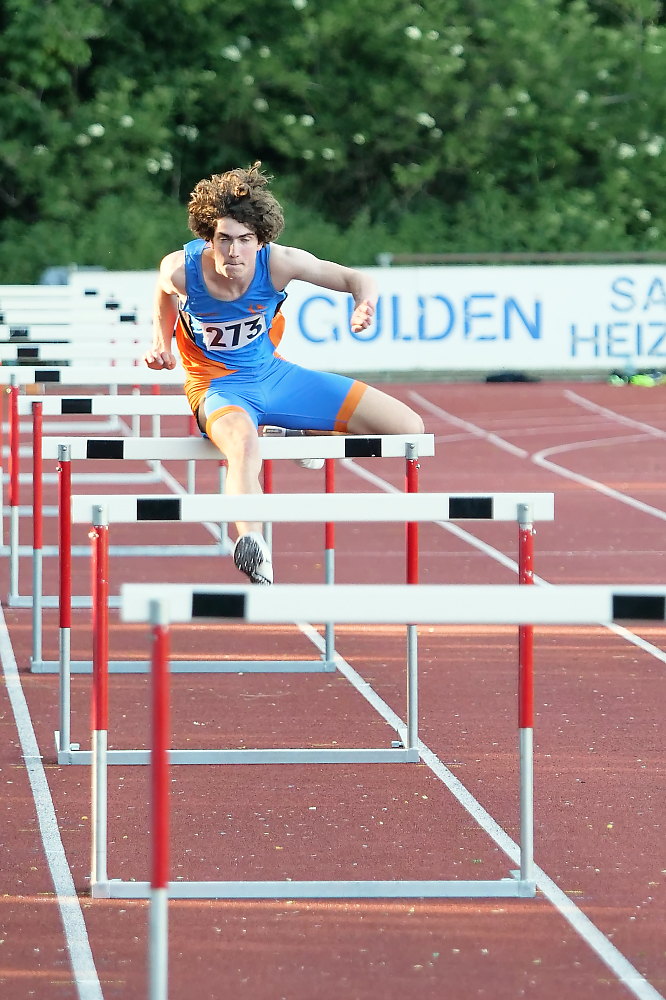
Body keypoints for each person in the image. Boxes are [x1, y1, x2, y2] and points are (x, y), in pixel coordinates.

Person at [144, 162, 424, 585]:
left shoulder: (280, 263)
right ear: (208, 238)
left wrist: (363, 304)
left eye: (244, 240)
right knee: (243, 444)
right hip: (218, 388)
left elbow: (355, 277)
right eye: (224, 239)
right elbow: (164, 293)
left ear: (261, 241)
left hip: (274, 376)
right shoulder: (182, 271)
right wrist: (160, 343)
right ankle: (252, 542)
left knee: (408, 429)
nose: (233, 252)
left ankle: (297, 434)